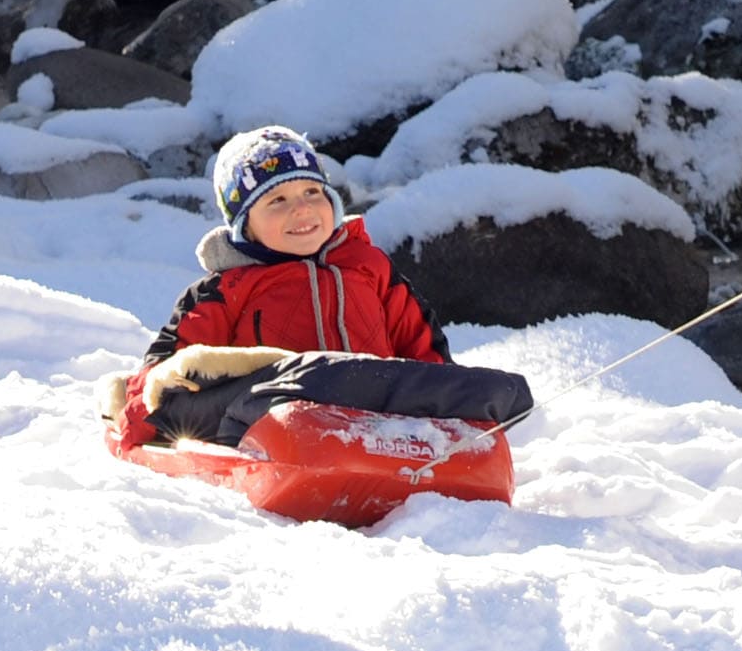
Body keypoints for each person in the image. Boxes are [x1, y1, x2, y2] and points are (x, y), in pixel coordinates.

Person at [113, 128, 533, 447]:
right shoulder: (225, 288)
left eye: (312, 191)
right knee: (304, 378)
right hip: (277, 415)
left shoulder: (371, 268)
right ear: (244, 225)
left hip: (377, 408)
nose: (302, 208)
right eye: (276, 200)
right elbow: (160, 381)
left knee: (506, 391)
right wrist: (135, 419)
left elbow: (425, 355)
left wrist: (452, 411)